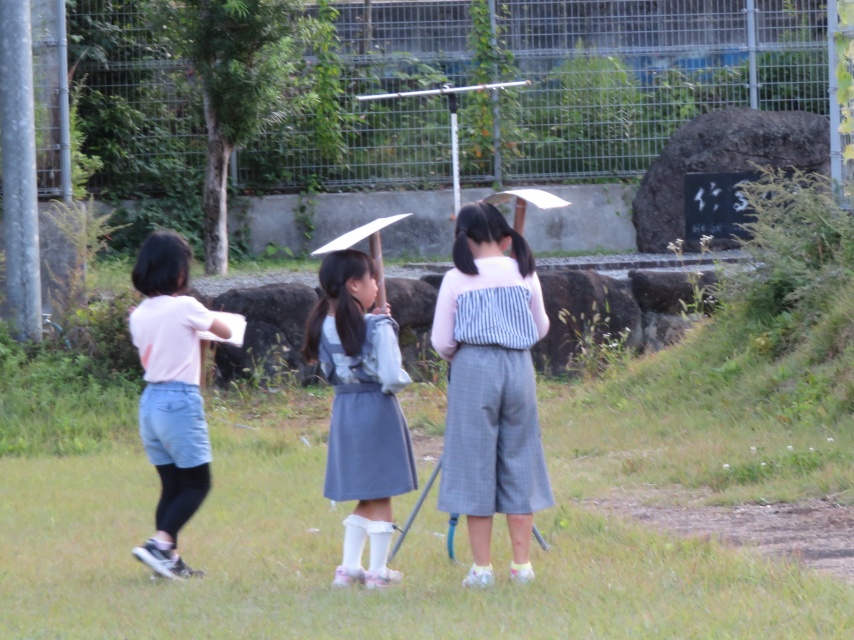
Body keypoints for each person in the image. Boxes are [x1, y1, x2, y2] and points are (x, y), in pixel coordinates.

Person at [431, 201, 554, 588]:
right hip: (519, 368)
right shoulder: (524, 271)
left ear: (462, 239)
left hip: (472, 368)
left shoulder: (455, 278)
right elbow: (541, 327)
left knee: (474, 464)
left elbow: (441, 341)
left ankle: (482, 569)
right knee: (521, 458)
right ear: (504, 237)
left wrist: (467, 355)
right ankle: (522, 567)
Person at [302, 249, 418, 590]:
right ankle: (378, 572)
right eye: (373, 280)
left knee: (367, 494)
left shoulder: (321, 325)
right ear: (354, 285)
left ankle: (349, 568)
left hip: (346, 411)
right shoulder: (378, 327)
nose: (377, 286)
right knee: (382, 493)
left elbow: (330, 368)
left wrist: (376, 321)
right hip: (377, 412)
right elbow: (391, 377)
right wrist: (385, 329)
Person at [128, 230, 232, 580]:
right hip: (179, 400)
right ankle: (160, 543)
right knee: (198, 484)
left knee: (172, 486)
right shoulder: (187, 306)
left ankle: (168, 561)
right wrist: (206, 314)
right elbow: (225, 331)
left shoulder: (138, 314)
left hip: (150, 402)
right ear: (178, 273)